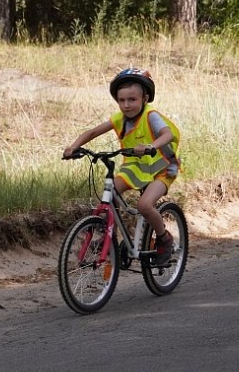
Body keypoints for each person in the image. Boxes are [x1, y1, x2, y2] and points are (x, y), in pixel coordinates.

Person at [62, 67, 182, 261]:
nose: (126, 105)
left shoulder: (151, 116)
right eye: (122, 100)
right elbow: (92, 132)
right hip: (135, 167)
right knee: (110, 195)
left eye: (132, 100)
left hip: (162, 168)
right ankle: (109, 236)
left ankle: (164, 238)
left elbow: (167, 134)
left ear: (145, 98)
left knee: (144, 205)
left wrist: (151, 146)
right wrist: (74, 147)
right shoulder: (119, 119)